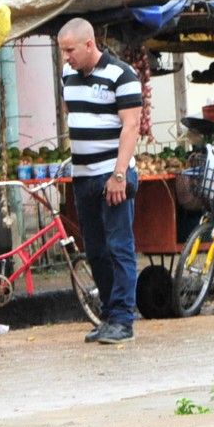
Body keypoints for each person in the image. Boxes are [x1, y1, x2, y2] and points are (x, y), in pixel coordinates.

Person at [57, 18, 142, 344]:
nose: (66, 57)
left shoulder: (123, 76)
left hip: (112, 174)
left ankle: (123, 319)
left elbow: (131, 127)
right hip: (83, 176)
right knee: (95, 249)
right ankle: (108, 315)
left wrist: (119, 174)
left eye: (70, 50)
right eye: (63, 51)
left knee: (119, 246)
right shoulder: (68, 75)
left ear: (89, 44)